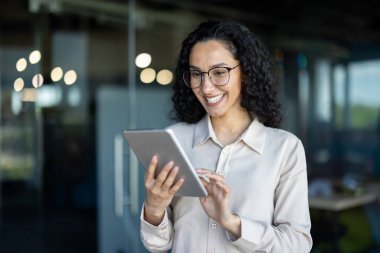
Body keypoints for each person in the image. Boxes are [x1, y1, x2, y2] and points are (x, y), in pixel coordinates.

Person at [140, 19, 312, 253]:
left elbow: (298, 245)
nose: (206, 87)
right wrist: (154, 209)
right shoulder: (175, 140)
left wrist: (231, 222)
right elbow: (157, 245)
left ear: (246, 72)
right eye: (196, 74)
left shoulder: (285, 149)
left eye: (219, 72)